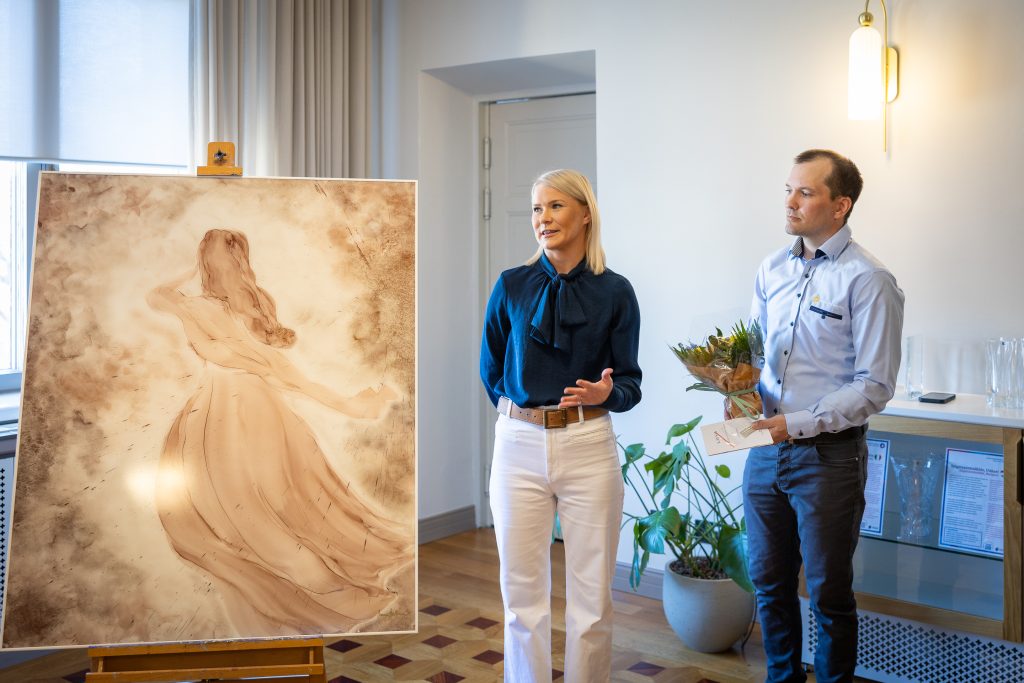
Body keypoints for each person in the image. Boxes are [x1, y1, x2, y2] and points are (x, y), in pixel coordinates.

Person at [148, 228, 410, 635]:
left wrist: (193, 270)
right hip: (241, 405)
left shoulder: (211, 307)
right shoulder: (225, 307)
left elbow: (161, 297)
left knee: (260, 499)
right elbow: (279, 370)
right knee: (259, 498)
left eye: (212, 256)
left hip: (234, 406)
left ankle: (310, 585)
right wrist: (345, 403)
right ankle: (298, 580)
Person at [746, 150, 904, 682]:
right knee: (768, 584)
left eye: (806, 192)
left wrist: (795, 424)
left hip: (829, 458)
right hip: (764, 451)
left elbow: (874, 385)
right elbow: (753, 353)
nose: (790, 202)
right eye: (788, 190)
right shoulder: (771, 268)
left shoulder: (869, 279)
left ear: (841, 205)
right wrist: (738, 390)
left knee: (828, 593)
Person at [480, 169, 642, 683]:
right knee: (520, 599)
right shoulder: (511, 284)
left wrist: (605, 396)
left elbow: (631, 382)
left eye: (555, 206)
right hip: (517, 446)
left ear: (585, 214)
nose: (543, 218)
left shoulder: (616, 291)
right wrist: (520, 413)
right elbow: (490, 369)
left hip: (588, 445)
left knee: (592, 603)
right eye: (536, 208)